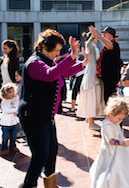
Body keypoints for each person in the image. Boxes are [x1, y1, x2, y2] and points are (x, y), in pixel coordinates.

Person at [17, 29, 89, 188]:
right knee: (40, 155)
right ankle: (28, 185)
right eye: (55, 50)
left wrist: (83, 63)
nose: (57, 54)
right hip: (33, 116)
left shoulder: (47, 61)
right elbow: (51, 74)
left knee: (51, 151)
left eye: (59, 51)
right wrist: (71, 57)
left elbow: (63, 73)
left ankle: (51, 184)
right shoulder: (35, 63)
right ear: (44, 47)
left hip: (45, 116)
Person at [90, 97, 129, 188]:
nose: (120, 121)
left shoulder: (114, 122)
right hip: (110, 152)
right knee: (108, 171)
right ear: (111, 113)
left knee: (116, 170)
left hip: (116, 151)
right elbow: (111, 140)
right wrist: (122, 143)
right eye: (119, 118)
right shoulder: (106, 126)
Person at [77, 32, 105, 131]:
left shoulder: (95, 47)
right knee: (91, 98)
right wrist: (93, 37)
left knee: (93, 98)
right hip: (91, 75)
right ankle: (91, 122)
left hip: (94, 75)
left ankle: (89, 119)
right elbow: (88, 44)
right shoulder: (91, 45)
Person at [89, 26, 122, 103]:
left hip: (111, 77)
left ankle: (112, 113)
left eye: (105, 33)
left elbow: (110, 45)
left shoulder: (115, 45)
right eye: (102, 33)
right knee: (106, 97)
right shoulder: (106, 47)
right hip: (106, 77)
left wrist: (98, 35)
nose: (103, 34)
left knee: (109, 98)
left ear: (111, 36)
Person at [0, 83, 19, 156]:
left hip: (13, 122)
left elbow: (18, 104)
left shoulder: (14, 99)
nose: (12, 93)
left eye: (13, 91)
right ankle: (4, 148)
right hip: (6, 123)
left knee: (13, 136)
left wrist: (16, 97)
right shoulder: (4, 102)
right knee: (6, 136)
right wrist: (15, 110)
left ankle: (12, 146)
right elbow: (7, 110)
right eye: (10, 92)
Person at [67, 40, 85, 114]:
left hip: (81, 72)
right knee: (74, 89)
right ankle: (73, 108)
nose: (77, 45)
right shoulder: (71, 51)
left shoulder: (82, 51)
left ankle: (77, 108)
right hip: (75, 72)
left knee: (79, 90)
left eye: (78, 44)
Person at [15, 68, 25, 138]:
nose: (15, 77)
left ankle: (22, 132)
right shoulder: (18, 84)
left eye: (17, 75)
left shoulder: (23, 85)